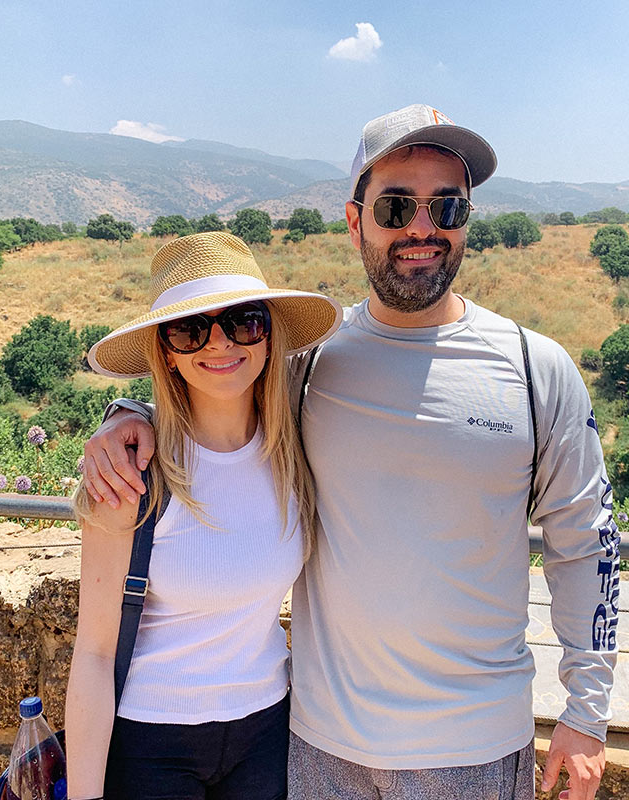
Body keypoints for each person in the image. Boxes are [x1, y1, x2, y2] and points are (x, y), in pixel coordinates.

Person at [83, 104, 617, 800]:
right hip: (317, 747)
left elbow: (589, 543)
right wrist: (126, 417)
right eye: (397, 206)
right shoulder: (309, 367)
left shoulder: (534, 368)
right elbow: (216, 393)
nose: (421, 228)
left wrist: (587, 713)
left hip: (476, 749)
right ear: (354, 219)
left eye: (445, 206)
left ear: (466, 219)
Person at [66, 233, 339, 800]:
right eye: (189, 329)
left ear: (269, 335)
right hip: (154, 743)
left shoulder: (295, 451)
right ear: (165, 351)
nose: (218, 343)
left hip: (267, 729)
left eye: (243, 321)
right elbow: (92, 653)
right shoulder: (133, 473)